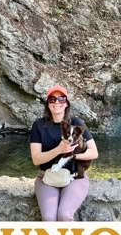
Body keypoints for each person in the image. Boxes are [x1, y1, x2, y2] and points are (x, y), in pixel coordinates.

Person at [30, 85, 98, 221]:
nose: (57, 103)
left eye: (61, 99)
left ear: (66, 103)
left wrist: (73, 155)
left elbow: (94, 153)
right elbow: (36, 159)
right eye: (52, 99)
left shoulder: (77, 123)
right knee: (49, 217)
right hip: (48, 177)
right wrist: (59, 150)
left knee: (64, 215)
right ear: (48, 103)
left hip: (75, 177)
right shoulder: (39, 125)